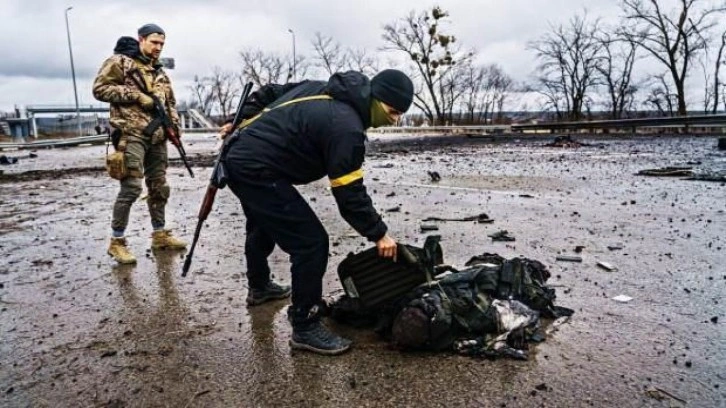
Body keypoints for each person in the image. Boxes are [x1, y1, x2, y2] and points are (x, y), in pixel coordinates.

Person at [221, 69, 414, 355]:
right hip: (256, 168)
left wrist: (237, 122)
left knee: (265, 221)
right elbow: (349, 195)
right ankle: (305, 326)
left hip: (245, 158)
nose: (394, 120)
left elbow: (270, 91)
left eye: (400, 115)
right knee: (311, 243)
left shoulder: (324, 88)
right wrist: (379, 234)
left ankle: (260, 287)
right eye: (392, 111)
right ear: (376, 97)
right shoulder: (347, 128)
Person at [93, 23, 187, 264]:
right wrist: (135, 96)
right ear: (141, 40)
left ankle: (160, 234)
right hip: (130, 133)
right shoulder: (121, 62)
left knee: (159, 187)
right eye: (154, 42)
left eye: (162, 44)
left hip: (157, 136)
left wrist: (173, 126)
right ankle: (117, 241)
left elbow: (170, 103)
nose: (158, 48)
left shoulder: (159, 72)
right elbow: (100, 89)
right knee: (132, 187)